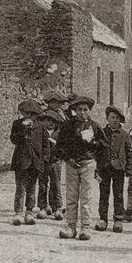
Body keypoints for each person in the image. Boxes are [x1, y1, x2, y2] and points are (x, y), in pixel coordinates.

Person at [55, 95, 103, 240]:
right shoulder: (68, 126)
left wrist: (93, 142)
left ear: (89, 111)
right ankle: (71, 227)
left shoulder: (94, 126)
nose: (82, 112)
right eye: (79, 109)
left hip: (88, 163)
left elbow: (103, 145)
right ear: (74, 110)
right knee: (71, 196)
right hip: (72, 164)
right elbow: (59, 146)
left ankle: (86, 227)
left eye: (85, 109)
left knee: (86, 196)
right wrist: (68, 158)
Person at [9, 99, 49, 226]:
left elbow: (45, 144)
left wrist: (45, 159)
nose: (28, 116)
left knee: (32, 189)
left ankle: (29, 212)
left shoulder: (41, 126)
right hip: (21, 161)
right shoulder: (17, 124)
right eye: (25, 113)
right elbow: (14, 139)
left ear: (35, 115)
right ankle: (18, 213)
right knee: (20, 188)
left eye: (31, 114)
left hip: (35, 162)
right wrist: (23, 130)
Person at [96, 105, 132, 233]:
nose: (115, 120)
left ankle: (118, 219)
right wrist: (96, 170)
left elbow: (130, 152)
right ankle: (103, 219)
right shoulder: (101, 133)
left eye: (117, 118)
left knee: (118, 194)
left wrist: (128, 168)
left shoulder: (124, 134)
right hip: (104, 169)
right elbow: (97, 152)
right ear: (107, 119)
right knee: (103, 194)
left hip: (118, 169)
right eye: (112, 117)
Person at [36, 91, 69, 219]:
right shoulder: (42, 123)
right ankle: (43, 206)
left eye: (57, 102)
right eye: (52, 102)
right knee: (43, 183)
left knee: (56, 183)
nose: (55, 105)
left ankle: (57, 207)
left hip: (55, 160)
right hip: (43, 160)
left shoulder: (61, 126)